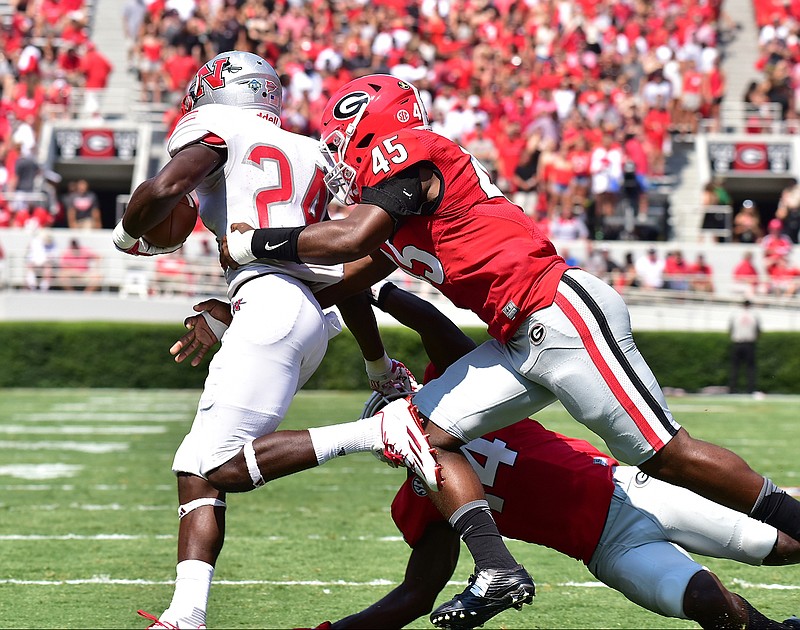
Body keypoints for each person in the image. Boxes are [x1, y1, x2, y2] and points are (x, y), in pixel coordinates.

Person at [221, 74, 800, 628]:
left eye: (344, 141)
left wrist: (251, 242)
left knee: (665, 456)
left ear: (373, 125)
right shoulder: (398, 218)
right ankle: (497, 568)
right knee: (416, 433)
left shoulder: (410, 151)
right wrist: (232, 306)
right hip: (517, 338)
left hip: (556, 309)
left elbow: (349, 239)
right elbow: (342, 278)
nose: (340, 158)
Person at [113, 53, 419, 630]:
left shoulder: (217, 130)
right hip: (301, 314)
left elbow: (165, 187)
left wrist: (128, 234)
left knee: (216, 464)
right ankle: (185, 616)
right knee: (196, 466)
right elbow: (343, 268)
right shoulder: (311, 153)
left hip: (272, 306)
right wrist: (377, 366)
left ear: (217, 90)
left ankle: (373, 431)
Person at [315, 282, 800, 630]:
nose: (399, 439)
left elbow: (435, 325)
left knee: (784, 545)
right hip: (607, 550)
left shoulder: (465, 405)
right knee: (702, 600)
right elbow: (417, 593)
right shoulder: (425, 494)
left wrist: (371, 283)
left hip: (633, 492)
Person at [729, 300, 761, 396]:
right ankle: (750, 389)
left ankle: (732, 389)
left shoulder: (736, 314)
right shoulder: (754, 315)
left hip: (737, 343)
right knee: (750, 368)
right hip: (749, 344)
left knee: (735, 367)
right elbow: (758, 330)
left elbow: (730, 328)